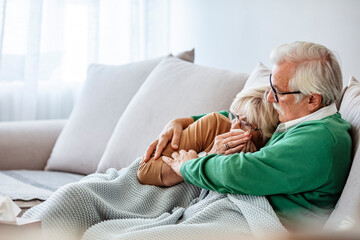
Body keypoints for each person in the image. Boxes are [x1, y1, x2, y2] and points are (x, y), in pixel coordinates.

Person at [142, 41, 352, 230]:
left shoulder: (319, 140)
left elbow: (241, 171)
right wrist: (183, 120)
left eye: (278, 91)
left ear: (313, 100)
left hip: (258, 223)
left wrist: (189, 165)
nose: (270, 97)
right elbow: (235, 117)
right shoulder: (306, 122)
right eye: (271, 85)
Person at [138, 85, 279, 187]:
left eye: (245, 124)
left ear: (265, 133)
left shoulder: (270, 153)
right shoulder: (215, 124)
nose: (234, 126)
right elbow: (145, 171)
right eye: (235, 117)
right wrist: (205, 158)